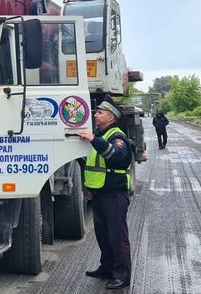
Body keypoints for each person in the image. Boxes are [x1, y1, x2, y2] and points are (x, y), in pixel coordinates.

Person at [77, 95, 133, 290]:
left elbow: (117, 158)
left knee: (117, 236)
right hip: (100, 193)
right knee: (103, 234)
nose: (95, 115)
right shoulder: (100, 135)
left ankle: (122, 275)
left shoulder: (117, 137)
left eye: (100, 112)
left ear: (111, 117)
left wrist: (93, 140)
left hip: (115, 194)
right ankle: (107, 268)